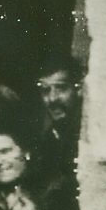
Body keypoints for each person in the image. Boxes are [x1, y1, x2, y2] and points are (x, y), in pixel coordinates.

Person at [34, 53, 84, 182]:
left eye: (61, 88)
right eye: (45, 90)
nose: (52, 98)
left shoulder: (87, 132)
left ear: (79, 89)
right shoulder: (50, 135)